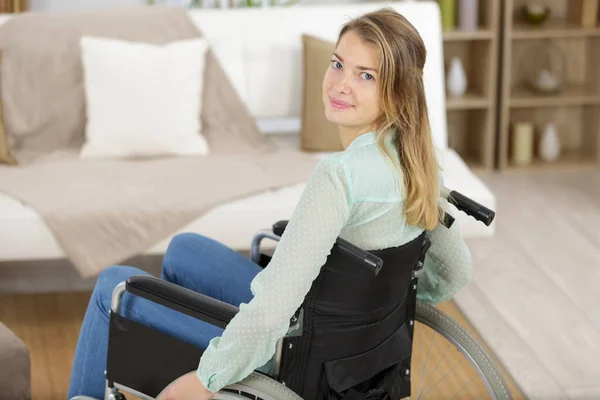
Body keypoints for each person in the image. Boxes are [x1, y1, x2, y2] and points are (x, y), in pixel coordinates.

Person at [68, 7, 472, 400]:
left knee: (111, 286)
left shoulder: (340, 176)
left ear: (397, 91)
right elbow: (454, 271)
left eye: (365, 75)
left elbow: (270, 314)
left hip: (294, 352)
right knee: (183, 249)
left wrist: (207, 378)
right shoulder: (419, 160)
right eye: (337, 65)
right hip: (348, 342)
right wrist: (375, 313)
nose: (340, 84)